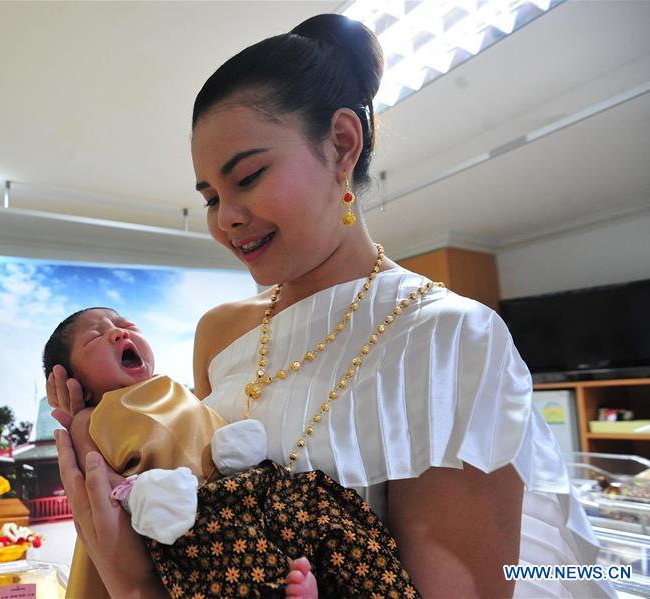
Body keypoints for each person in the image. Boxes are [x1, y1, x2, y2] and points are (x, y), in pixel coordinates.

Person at [50, 13, 612, 598]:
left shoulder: (448, 338)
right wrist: (96, 427)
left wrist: (134, 585)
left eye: (248, 176)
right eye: (211, 197)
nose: (226, 218)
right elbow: (187, 485)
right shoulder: (218, 332)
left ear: (342, 143)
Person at [43, 307, 418, 598]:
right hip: (190, 513)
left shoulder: (171, 387)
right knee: (226, 569)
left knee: (324, 514)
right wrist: (136, 491)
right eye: (95, 338)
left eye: (124, 323)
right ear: (77, 383)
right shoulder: (89, 418)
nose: (118, 331)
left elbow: (201, 423)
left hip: (252, 482)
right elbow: (99, 479)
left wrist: (231, 446)